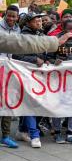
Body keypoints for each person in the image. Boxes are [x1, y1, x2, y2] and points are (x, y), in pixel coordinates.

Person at [48, 19, 72, 146]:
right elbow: (47, 58)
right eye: (70, 29)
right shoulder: (55, 41)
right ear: (63, 28)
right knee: (58, 105)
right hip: (58, 79)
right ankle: (57, 133)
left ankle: (71, 134)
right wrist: (55, 61)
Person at [12, 13, 46, 148]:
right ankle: (34, 135)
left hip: (38, 75)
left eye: (40, 19)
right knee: (30, 105)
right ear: (28, 23)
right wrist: (34, 60)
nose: (39, 21)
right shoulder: (23, 36)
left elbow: (44, 54)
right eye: (36, 20)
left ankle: (21, 130)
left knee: (37, 104)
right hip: (26, 74)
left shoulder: (40, 35)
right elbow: (16, 55)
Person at [0, 5, 21, 148]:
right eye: (9, 15)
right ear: (4, 14)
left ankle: (5, 136)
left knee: (7, 102)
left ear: (17, 17)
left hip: (9, 71)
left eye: (14, 16)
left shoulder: (18, 29)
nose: (11, 18)